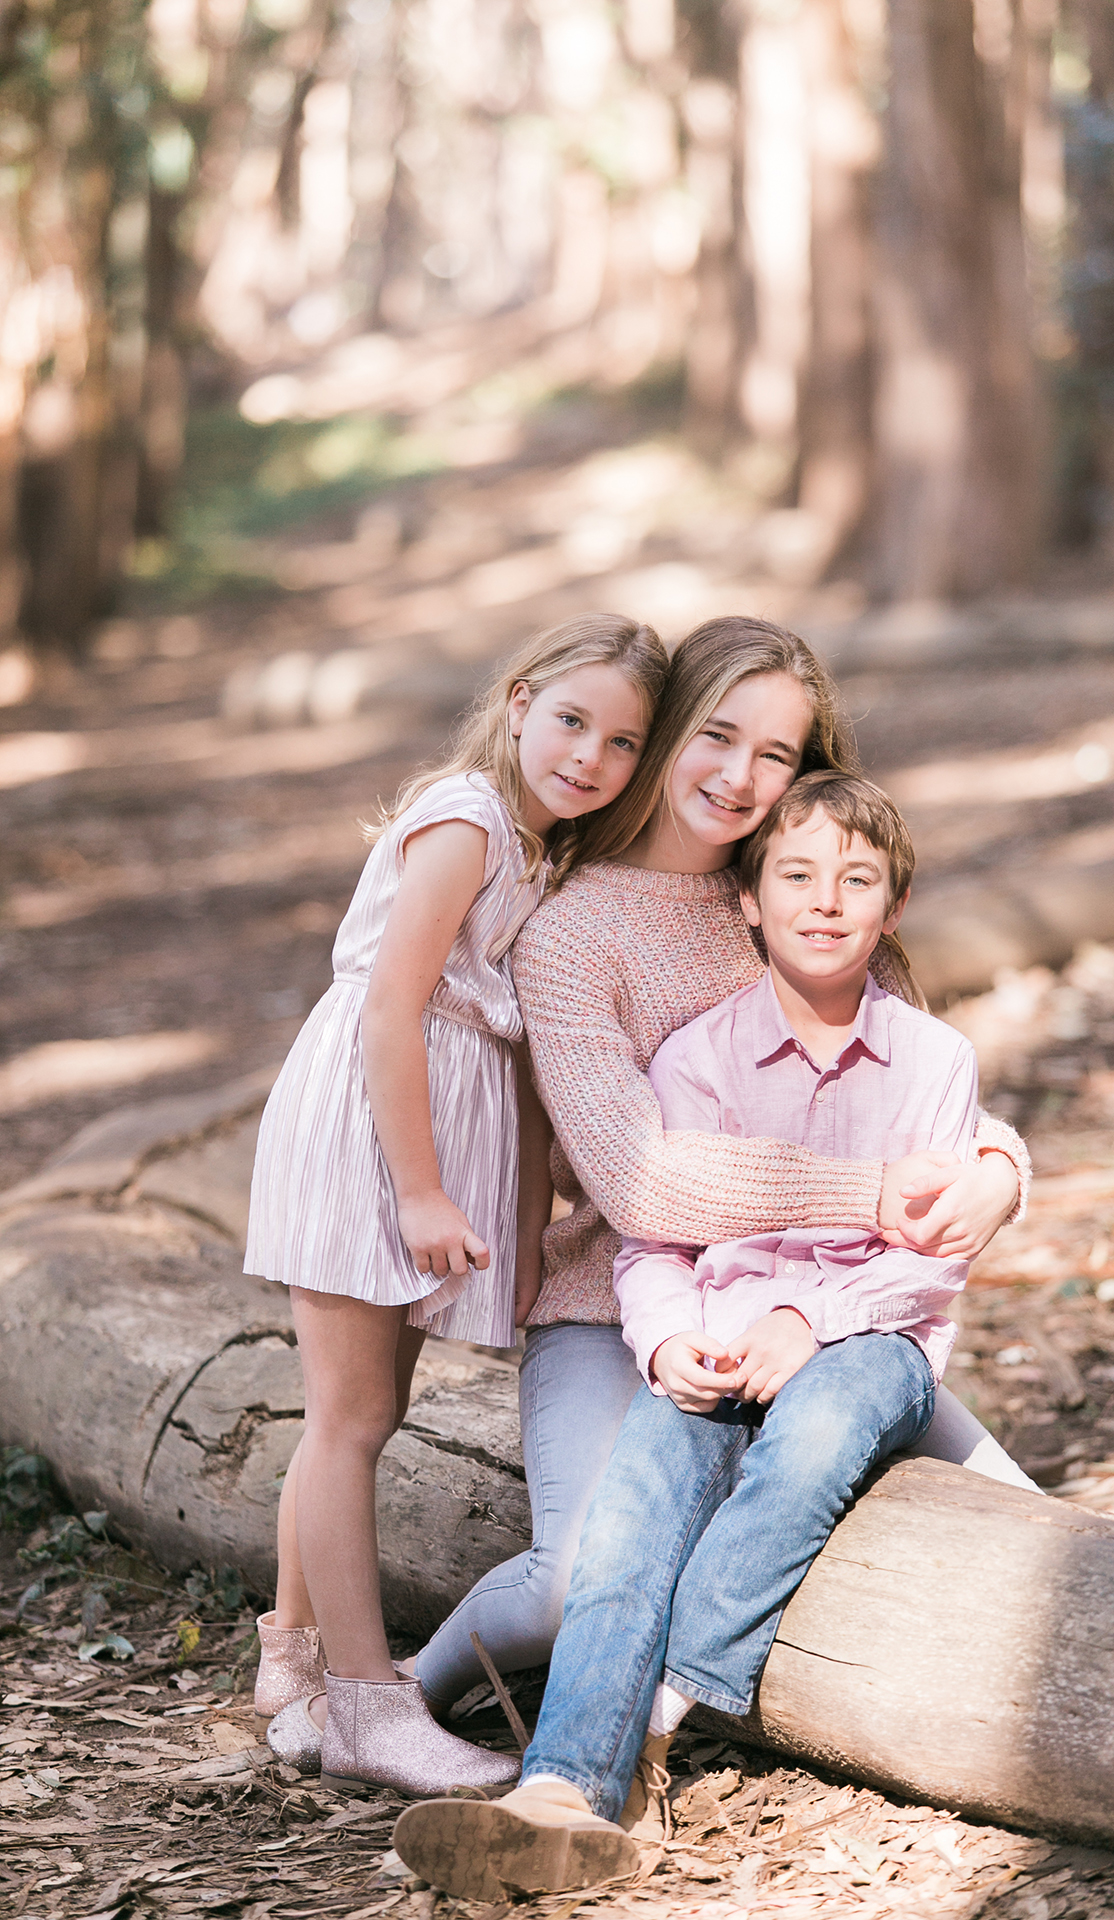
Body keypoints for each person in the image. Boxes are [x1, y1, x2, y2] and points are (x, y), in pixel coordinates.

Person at [411, 617, 1035, 1726]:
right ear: (661, 735)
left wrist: (998, 1164)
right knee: (569, 1587)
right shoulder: (570, 933)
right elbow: (639, 1184)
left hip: (828, 1310)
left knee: (1024, 1526)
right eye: (715, 735)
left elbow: (915, 1088)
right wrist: (868, 1193)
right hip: (624, 1312)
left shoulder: (807, 879)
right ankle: (407, 1690)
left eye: (779, 756)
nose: (742, 778)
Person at [391, 770, 992, 1898]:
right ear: (748, 903)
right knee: (630, 1516)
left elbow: (929, 1256)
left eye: (856, 880)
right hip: (710, 1343)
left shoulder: (930, 1061)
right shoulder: (698, 1057)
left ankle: (660, 1705)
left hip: (869, 1348)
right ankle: (562, 1788)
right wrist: (666, 1342)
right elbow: (649, 1242)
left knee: (811, 1435)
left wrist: (802, 1318)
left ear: (893, 908)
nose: (824, 901)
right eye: (796, 875)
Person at [243, 613, 668, 1797]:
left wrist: (528, 1212)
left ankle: (292, 1658)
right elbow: (392, 1008)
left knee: (359, 1410)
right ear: (521, 698)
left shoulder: (541, 849)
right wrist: (425, 1190)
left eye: (622, 743)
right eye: (572, 719)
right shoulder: (467, 818)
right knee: (352, 1418)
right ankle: (369, 1710)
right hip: (369, 1131)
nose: (588, 756)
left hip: (427, 1132)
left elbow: (515, 1052)